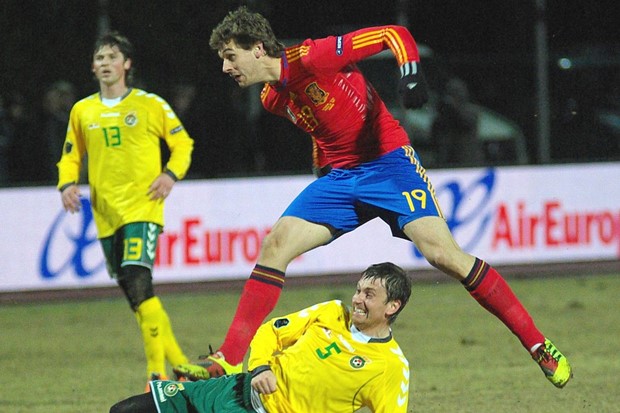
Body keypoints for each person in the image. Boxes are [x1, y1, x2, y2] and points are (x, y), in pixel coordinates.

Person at [174, 6, 571, 389]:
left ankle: (538, 344)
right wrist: (322, 163)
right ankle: (226, 357)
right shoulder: (271, 99)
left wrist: (411, 75)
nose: (226, 67)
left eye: (230, 56)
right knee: (275, 245)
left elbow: (391, 34)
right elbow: (320, 126)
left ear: (257, 48)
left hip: (389, 166)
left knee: (443, 255)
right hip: (342, 178)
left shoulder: (314, 56)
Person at [57, 31, 194, 388]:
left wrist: (169, 174)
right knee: (136, 295)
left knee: (138, 279)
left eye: (112, 57)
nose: (105, 63)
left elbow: (182, 143)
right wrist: (67, 183)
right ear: (93, 67)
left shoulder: (150, 104)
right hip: (105, 215)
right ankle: (180, 363)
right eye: (99, 58)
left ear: (126, 64)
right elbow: (71, 154)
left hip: (142, 208)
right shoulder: (82, 110)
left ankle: (156, 373)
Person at [111, 262, 413, 413]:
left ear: (392, 306)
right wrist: (261, 367)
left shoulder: (390, 367)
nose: (358, 299)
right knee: (126, 410)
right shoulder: (333, 312)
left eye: (369, 295)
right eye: (358, 290)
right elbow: (271, 331)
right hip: (233, 390)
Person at [431, 77, 484, 167]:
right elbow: (434, 132)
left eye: (455, 93)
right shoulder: (443, 116)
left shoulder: (471, 111)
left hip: (468, 160)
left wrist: (453, 108)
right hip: (446, 161)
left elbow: (465, 122)